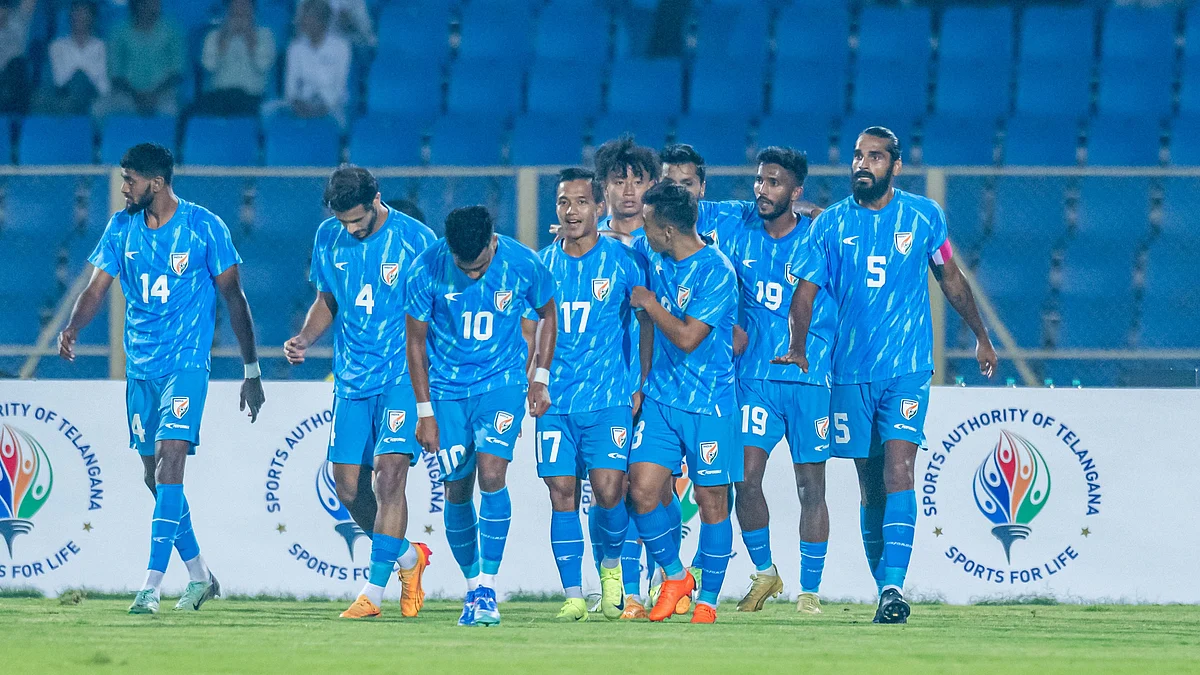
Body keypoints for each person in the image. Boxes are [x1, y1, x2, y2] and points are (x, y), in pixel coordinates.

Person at [775, 127, 998, 624]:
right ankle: (886, 592)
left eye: (874, 156)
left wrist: (981, 336)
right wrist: (797, 346)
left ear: (895, 166)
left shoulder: (924, 216)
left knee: (900, 469)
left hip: (908, 369)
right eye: (857, 155)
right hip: (851, 373)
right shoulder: (830, 225)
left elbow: (951, 277)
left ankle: (895, 586)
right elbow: (805, 294)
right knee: (871, 485)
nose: (862, 164)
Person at [57, 143, 266, 614]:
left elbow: (235, 299)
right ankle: (200, 575)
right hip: (141, 367)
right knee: (155, 477)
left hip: (187, 363)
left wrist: (251, 370)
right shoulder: (120, 228)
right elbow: (95, 289)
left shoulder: (204, 227)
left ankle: (149, 587)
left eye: (130, 179)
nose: (124, 187)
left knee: (172, 464)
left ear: (157, 182)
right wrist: (72, 326)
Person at [283, 165, 437, 619]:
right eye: (343, 221)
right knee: (346, 486)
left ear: (377, 200)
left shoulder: (417, 241)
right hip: (351, 379)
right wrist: (306, 339)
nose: (351, 229)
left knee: (389, 477)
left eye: (358, 221)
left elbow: (439, 310)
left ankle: (373, 593)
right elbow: (327, 299)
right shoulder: (328, 238)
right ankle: (409, 557)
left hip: (401, 379)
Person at [405, 206, 558, 626]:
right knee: (456, 488)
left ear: (494, 241)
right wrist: (424, 412)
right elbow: (415, 344)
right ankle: (472, 588)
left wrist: (539, 376)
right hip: (448, 392)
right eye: (464, 267)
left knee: (492, 476)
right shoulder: (425, 269)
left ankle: (489, 588)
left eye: (480, 266)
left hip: (502, 383)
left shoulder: (523, 262)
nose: (472, 275)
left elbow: (548, 313)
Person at [712, 147, 835, 615]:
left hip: (808, 378)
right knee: (743, 479)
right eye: (760, 181)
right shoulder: (737, 231)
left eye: (775, 182)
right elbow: (682, 212)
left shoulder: (820, 238)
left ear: (796, 192)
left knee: (811, 489)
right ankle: (766, 572)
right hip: (755, 378)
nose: (763, 189)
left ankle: (810, 590)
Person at [536, 169, 652, 622]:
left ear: (598, 208)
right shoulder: (541, 265)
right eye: (564, 202)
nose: (572, 210)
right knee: (561, 492)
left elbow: (645, 323)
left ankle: (610, 570)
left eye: (581, 202)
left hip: (608, 398)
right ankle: (572, 594)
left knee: (609, 491)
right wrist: (535, 379)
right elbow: (532, 328)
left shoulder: (624, 261)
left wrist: (640, 381)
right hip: (556, 401)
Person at [627, 182, 739, 624]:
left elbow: (690, 338)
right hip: (660, 399)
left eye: (648, 224)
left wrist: (651, 304)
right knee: (642, 490)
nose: (643, 232)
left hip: (710, 404)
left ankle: (708, 601)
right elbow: (617, 245)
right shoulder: (652, 253)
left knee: (713, 501)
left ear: (668, 230)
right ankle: (676, 576)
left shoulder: (717, 271)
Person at [592, 135, 666, 618]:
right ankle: (618, 579)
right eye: (619, 181)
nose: (628, 191)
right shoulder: (580, 240)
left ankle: (659, 576)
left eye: (638, 181)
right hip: (600, 388)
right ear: (603, 189)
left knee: (651, 489)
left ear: (653, 185)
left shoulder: (663, 243)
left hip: (660, 384)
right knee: (609, 489)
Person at [94, 0, 184, 118]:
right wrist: (136, 96)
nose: (156, 6)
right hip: (126, 94)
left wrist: (154, 94)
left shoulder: (173, 31)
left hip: (162, 94)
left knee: (172, 112)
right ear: (138, 5)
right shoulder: (118, 31)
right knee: (98, 109)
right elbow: (115, 74)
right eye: (151, 2)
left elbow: (177, 73)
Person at [270, 0, 351, 127]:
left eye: (307, 17)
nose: (301, 21)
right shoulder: (295, 48)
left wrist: (321, 108)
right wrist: (298, 104)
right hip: (301, 104)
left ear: (321, 21)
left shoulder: (342, 47)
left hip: (331, 106)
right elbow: (290, 89)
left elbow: (340, 89)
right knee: (268, 112)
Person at [195, 0, 277, 117]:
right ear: (227, 10)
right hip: (219, 97)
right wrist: (225, 38)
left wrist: (250, 39)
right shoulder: (213, 36)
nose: (240, 11)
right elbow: (209, 67)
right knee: (191, 114)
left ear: (253, 10)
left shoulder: (265, 36)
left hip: (252, 98)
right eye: (235, 7)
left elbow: (263, 66)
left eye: (244, 7)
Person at [37, 0, 107, 115]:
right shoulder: (57, 46)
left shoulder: (101, 47)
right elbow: (58, 78)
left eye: (84, 13)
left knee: (80, 78)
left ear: (92, 18)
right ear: (70, 16)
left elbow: (102, 82)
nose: (80, 17)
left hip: (92, 95)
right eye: (77, 12)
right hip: (63, 94)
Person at [0, 0, 35, 113]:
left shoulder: (18, 22)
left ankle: (16, 117)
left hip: (14, 78)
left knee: (17, 64)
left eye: (3, 8)